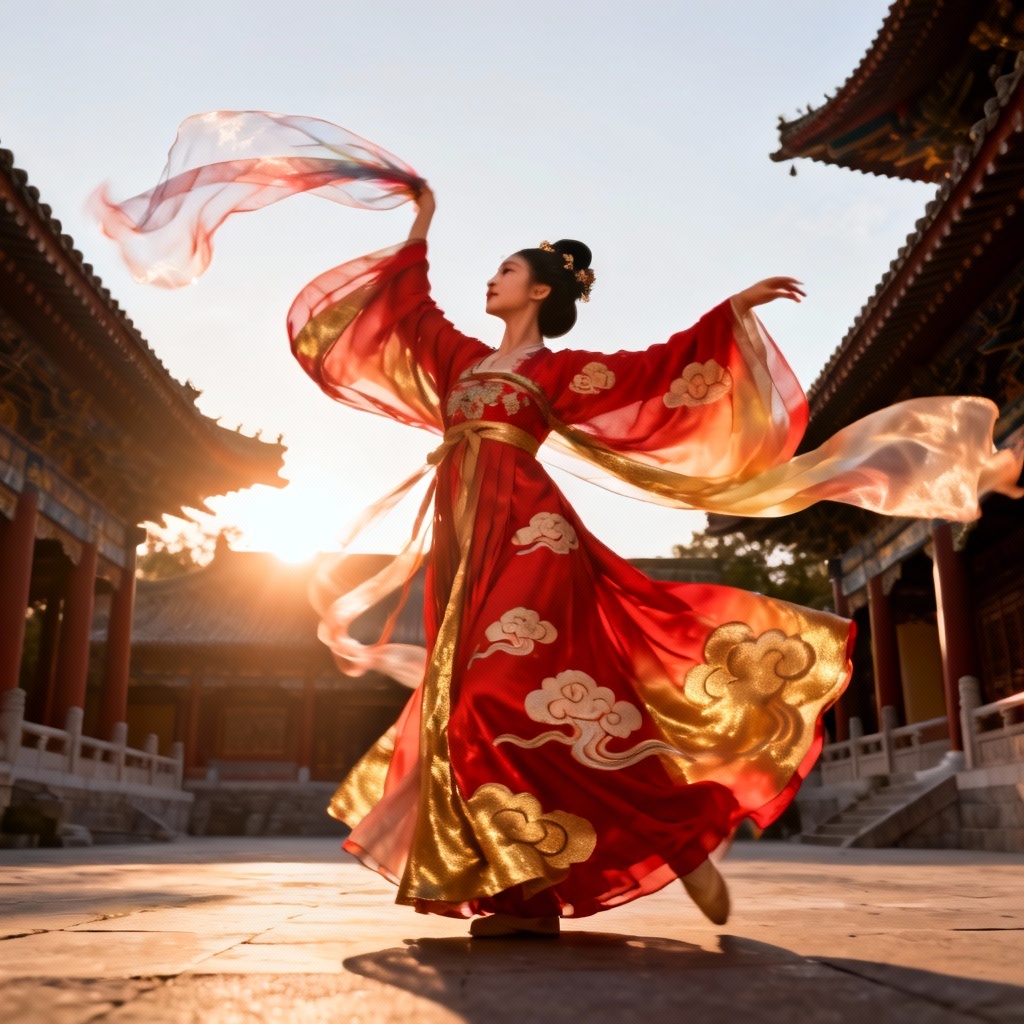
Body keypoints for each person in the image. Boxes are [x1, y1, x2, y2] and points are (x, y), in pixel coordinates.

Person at [94, 111, 1022, 938]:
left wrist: (726, 315)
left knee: (507, 693)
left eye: (503, 270)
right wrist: (418, 225)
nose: (489, 280)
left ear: (538, 290)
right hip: (465, 539)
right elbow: (405, 314)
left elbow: (655, 372)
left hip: (532, 534)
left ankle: (678, 834)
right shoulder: (460, 358)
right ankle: (520, 895)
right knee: (473, 709)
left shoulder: (558, 375)